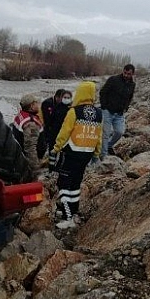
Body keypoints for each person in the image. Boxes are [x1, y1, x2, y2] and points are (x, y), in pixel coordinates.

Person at [49, 81, 102, 229]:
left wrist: (56, 148)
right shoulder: (98, 113)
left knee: (63, 184)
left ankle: (68, 218)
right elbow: (99, 135)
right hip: (87, 155)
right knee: (75, 183)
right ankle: (73, 210)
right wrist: (96, 154)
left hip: (71, 153)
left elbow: (64, 132)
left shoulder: (74, 111)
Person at [99, 64, 135, 159]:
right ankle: (103, 155)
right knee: (105, 134)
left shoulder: (132, 85)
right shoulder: (113, 80)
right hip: (108, 111)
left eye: (129, 74)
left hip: (119, 114)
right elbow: (103, 92)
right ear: (123, 71)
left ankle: (109, 145)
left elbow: (130, 97)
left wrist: (125, 108)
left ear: (132, 74)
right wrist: (104, 106)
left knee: (119, 132)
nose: (126, 75)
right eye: (125, 73)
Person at [12, 94, 45, 179]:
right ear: (31, 106)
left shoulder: (21, 115)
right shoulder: (30, 123)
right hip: (27, 161)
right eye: (36, 103)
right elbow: (30, 148)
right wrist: (36, 169)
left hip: (19, 156)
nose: (38, 105)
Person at [43, 89, 73, 154]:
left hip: (66, 137)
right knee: (52, 154)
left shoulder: (72, 110)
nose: (66, 99)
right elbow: (49, 121)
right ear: (61, 97)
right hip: (54, 135)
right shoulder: (56, 107)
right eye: (65, 97)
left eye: (68, 98)